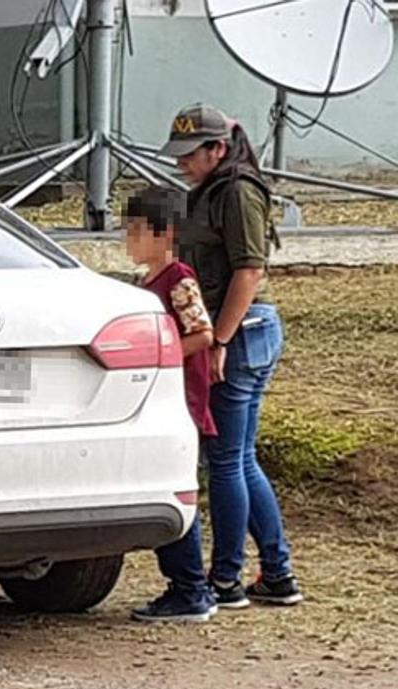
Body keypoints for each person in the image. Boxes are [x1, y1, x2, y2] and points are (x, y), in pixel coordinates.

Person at [159, 103, 303, 607]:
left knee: (224, 462)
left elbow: (249, 272)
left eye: (190, 155)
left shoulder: (237, 191)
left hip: (243, 333)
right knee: (240, 459)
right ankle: (277, 573)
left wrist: (219, 340)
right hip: (242, 332)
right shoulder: (211, 190)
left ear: (218, 149)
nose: (182, 163)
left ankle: (225, 579)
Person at [122, 187, 218, 623]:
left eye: (137, 231)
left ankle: (190, 586)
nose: (129, 240)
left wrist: (161, 355)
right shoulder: (143, 284)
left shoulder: (178, 279)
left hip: (179, 399)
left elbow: (203, 333)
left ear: (164, 234)